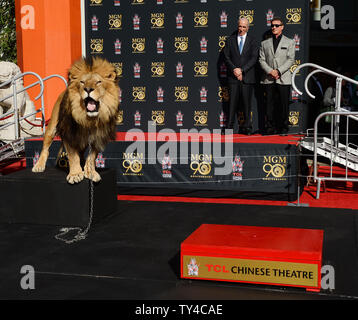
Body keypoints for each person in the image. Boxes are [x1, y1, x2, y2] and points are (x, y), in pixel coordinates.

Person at [259, 16, 295, 135]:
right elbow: (261, 60)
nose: (274, 27)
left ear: (282, 27)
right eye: (272, 25)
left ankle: (283, 128)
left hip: (283, 78)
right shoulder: (264, 43)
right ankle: (270, 128)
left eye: (276, 25)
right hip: (268, 79)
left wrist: (278, 71)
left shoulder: (290, 42)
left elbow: (291, 60)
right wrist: (270, 71)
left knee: (283, 105)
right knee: (269, 105)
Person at [223, 17, 258, 135]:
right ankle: (229, 127)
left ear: (247, 28)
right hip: (233, 77)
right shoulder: (230, 40)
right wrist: (235, 70)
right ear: (237, 26)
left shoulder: (252, 41)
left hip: (247, 77)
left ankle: (247, 128)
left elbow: (254, 58)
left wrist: (242, 71)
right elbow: (226, 57)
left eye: (244, 27)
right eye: (240, 26)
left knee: (247, 105)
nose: (241, 29)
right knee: (232, 104)